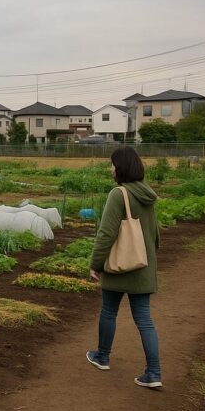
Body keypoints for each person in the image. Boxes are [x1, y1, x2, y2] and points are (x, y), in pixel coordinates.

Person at [85, 147, 162, 388]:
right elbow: (155, 233)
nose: (111, 168)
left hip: (119, 266)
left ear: (121, 168)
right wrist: (147, 257)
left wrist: (95, 264)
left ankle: (102, 356)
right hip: (142, 266)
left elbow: (106, 233)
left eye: (113, 164)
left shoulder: (119, 194)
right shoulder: (148, 194)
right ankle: (154, 373)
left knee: (109, 312)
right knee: (145, 320)